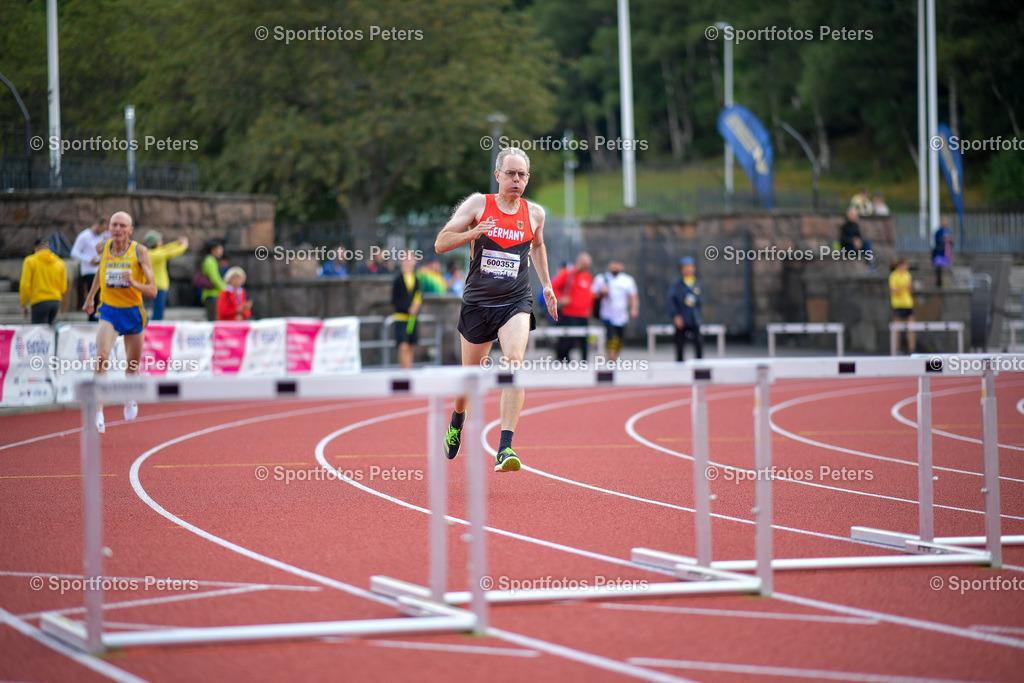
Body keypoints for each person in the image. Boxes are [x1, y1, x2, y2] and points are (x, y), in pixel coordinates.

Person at [435, 146, 557, 472]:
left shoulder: (535, 214)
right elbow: (441, 242)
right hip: (477, 304)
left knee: (514, 362)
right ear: (498, 175)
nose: (516, 180)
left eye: (522, 175)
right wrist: (474, 232)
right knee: (470, 379)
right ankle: (457, 420)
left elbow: (539, 245)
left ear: (527, 179)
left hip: (515, 301)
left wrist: (546, 284)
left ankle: (505, 448)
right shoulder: (479, 204)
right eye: (510, 173)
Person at [82, 211, 157, 433]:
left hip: (133, 312)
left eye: (122, 226)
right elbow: (100, 273)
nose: (117, 229)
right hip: (109, 311)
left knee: (132, 368)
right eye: (114, 225)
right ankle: (98, 413)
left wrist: (133, 282)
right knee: (101, 357)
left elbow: (152, 290)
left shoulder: (140, 251)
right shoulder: (103, 247)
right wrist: (89, 298)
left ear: (130, 230)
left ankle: (129, 396)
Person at [592, 260, 639, 361]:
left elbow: (633, 296)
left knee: (620, 340)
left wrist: (634, 308)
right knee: (612, 338)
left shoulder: (627, 280)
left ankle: (613, 358)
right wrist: (602, 292)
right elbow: (593, 295)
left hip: (622, 316)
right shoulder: (602, 279)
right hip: (608, 315)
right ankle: (611, 359)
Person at [550, 252, 594, 361]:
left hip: (583, 314)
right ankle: (562, 358)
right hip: (569, 313)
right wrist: (560, 299)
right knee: (568, 339)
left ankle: (584, 361)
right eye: (584, 264)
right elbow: (553, 287)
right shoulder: (568, 274)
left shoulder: (587, 276)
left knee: (584, 340)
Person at [142, 230, 189, 321]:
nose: (161, 242)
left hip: (157, 285)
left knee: (158, 312)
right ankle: (155, 333)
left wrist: (177, 243)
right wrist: (184, 246)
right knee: (158, 314)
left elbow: (166, 248)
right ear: (155, 243)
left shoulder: (152, 252)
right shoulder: (155, 254)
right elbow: (170, 252)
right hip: (158, 286)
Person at [19, 237, 68, 325]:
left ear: (36, 249)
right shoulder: (59, 262)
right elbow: (63, 286)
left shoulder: (30, 261)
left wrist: (23, 303)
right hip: (55, 301)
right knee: (49, 331)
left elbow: (24, 285)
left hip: (39, 301)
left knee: (39, 332)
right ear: (49, 249)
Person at [71, 217, 109, 321]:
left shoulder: (101, 236)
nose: (103, 231)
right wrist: (89, 259)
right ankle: (92, 319)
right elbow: (74, 252)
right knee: (94, 297)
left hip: (99, 270)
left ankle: (99, 318)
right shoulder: (85, 236)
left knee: (101, 297)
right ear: (98, 224)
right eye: (103, 228)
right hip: (89, 271)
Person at [668, 256, 703, 361]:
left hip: (693, 318)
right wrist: (675, 315)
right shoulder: (676, 284)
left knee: (698, 343)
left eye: (690, 266)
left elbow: (699, 301)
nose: (688, 269)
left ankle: (700, 367)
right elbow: (671, 300)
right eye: (686, 267)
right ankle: (679, 367)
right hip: (681, 318)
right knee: (680, 344)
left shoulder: (696, 283)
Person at [392, 255, 422, 369]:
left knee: (411, 346)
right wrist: (407, 308)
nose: (409, 262)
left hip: (413, 318)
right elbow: (395, 299)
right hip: (401, 318)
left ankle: (408, 369)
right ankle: (404, 371)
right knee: (403, 346)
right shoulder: (398, 278)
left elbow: (419, 295)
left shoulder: (417, 278)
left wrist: (416, 307)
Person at [889, 259, 915, 354]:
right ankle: (897, 348)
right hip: (898, 304)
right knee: (897, 328)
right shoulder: (894, 276)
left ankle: (912, 348)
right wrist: (904, 287)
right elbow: (894, 291)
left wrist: (909, 287)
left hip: (908, 304)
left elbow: (910, 291)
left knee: (911, 327)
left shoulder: (907, 275)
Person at [198, 239, 226, 321]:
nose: (221, 251)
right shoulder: (210, 260)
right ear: (214, 250)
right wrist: (225, 288)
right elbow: (215, 278)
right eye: (220, 249)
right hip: (212, 295)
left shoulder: (213, 260)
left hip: (214, 295)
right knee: (214, 320)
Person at [932, 217, 952, 287]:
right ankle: (939, 283)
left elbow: (950, 243)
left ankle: (945, 282)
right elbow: (937, 241)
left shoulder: (948, 231)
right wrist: (945, 239)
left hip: (946, 253)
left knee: (945, 268)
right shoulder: (938, 232)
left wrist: (950, 240)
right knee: (939, 268)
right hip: (939, 252)